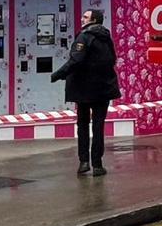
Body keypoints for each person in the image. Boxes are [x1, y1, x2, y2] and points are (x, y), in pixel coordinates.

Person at [51, 9, 120, 176]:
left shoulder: (84, 36)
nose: (82, 19)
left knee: (82, 125)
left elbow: (76, 60)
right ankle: (97, 164)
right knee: (98, 126)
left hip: (83, 89)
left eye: (85, 17)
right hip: (103, 89)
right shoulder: (106, 37)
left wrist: (58, 74)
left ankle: (83, 162)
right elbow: (113, 59)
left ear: (93, 19)